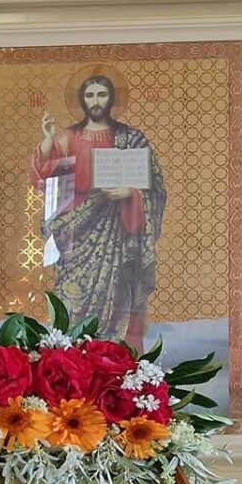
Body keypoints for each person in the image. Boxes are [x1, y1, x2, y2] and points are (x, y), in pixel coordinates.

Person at [32, 71, 166, 344]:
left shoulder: (131, 138)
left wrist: (130, 193)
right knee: (70, 301)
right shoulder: (68, 138)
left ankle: (115, 358)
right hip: (76, 235)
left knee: (117, 298)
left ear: (111, 98)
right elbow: (47, 178)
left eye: (101, 94)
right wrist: (48, 141)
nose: (95, 101)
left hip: (118, 236)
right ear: (82, 99)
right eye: (90, 95)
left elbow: (155, 187)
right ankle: (70, 358)